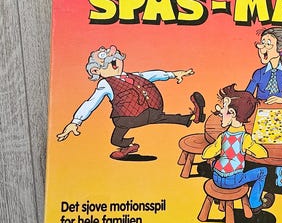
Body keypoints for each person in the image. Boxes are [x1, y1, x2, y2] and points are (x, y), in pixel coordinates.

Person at [56, 45, 205, 160]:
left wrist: (173, 74)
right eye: (110, 63)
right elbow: (91, 103)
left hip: (136, 116)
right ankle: (191, 118)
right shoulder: (106, 83)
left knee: (116, 138)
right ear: (96, 71)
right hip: (141, 113)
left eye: (116, 60)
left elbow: (155, 74)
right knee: (161, 119)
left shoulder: (134, 76)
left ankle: (128, 146)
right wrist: (76, 121)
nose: (115, 65)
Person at [202, 84, 275, 214]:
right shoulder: (245, 138)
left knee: (216, 160)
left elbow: (206, 154)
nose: (220, 113)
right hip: (233, 180)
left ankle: (219, 198)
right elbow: (262, 154)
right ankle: (255, 203)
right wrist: (251, 147)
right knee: (263, 171)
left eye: (223, 110)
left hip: (216, 177)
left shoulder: (222, 136)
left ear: (232, 113)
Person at [246, 24, 282, 104]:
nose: (261, 48)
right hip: (261, 108)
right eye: (262, 43)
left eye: (268, 44)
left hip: (278, 108)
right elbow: (247, 95)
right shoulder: (258, 73)